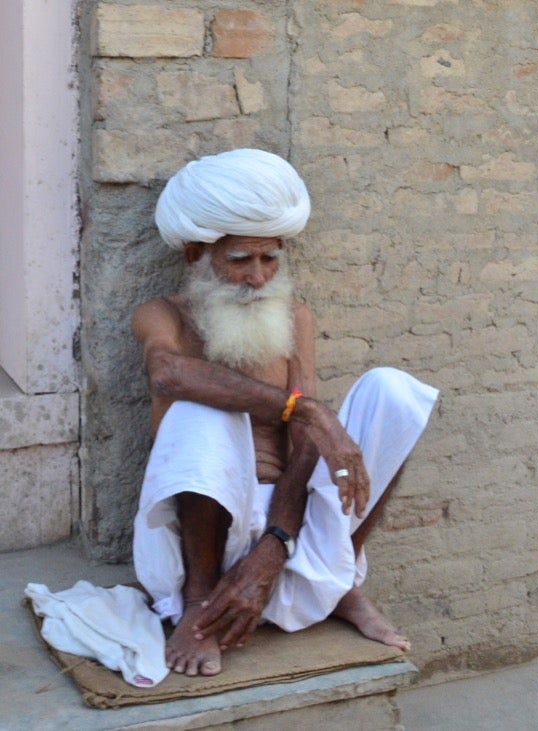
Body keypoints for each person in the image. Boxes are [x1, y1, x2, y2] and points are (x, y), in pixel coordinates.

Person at [131, 148, 439, 677]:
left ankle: (341, 584)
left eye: (270, 259)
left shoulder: (292, 315)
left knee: (394, 391)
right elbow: (168, 374)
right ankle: (200, 603)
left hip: (293, 522)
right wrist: (306, 410)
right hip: (207, 525)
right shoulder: (164, 316)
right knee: (203, 408)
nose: (258, 278)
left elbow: (304, 447)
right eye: (240, 261)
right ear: (196, 256)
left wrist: (276, 544)